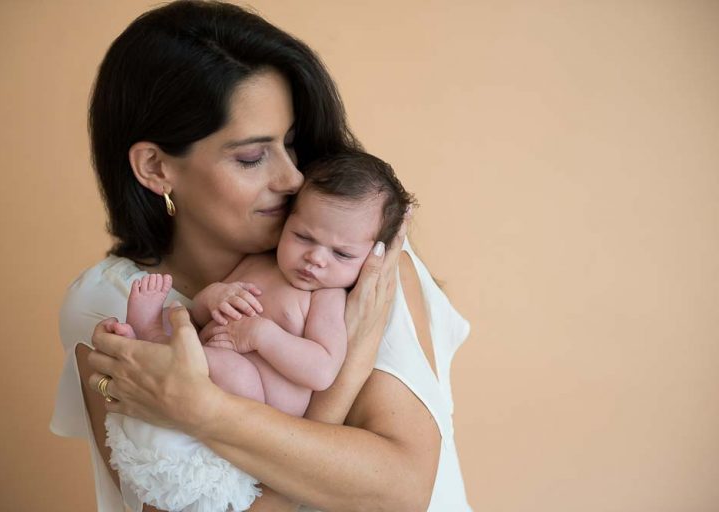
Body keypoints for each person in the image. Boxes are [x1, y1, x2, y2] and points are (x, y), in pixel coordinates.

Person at [50, 1, 474, 511]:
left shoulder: (353, 261)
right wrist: (349, 365)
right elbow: (168, 496)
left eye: (291, 145)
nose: (293, 178)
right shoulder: (107, 303)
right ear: (156, 167)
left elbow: (399, 490)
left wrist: (204, 412)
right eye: (251, 157)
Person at [108, 152, 417, 511]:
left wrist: (260, 335)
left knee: (224, 366)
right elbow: (200, 317)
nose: (316, 258)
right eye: (303, 237)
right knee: (181, 322)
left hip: (255, 401)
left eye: (342, 254)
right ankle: (151, 334)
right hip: (208, 372)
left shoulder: (326, 298)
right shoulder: (256, 262)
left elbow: (322, 369)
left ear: (369, 257)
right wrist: (215, 297)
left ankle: (153, 342)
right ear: (287, 222)